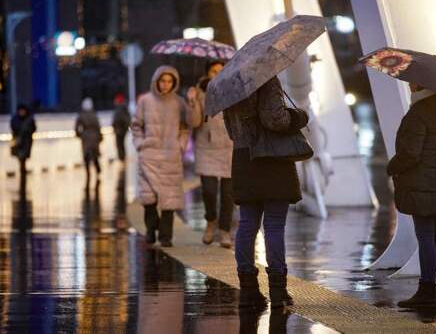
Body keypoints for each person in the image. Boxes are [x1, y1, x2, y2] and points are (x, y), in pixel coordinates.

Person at [223, 76, 309, 309]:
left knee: (247, 223)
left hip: (243, 158)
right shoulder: (266, 79)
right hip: (272, 159)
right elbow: (276, 120)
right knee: (273, 225)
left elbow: (231, 131)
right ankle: (278, 291)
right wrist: (299, 116)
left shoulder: (229, 86)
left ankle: (249, 289)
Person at [388, 83, 436, 310]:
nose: (410, 85)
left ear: (422, 86)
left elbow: (410, 153)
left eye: (413, 82)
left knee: (426, 236)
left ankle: (427, 290)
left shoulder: (418, 113)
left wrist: (392, 166)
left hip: (421, 182)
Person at [131, 65, 195, 247]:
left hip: (170, 156)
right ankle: (151, 230)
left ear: (173, 83)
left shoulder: (179, 102)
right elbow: (136, 125)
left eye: (169, 81)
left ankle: (166, 236)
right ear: (156, 81)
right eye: (162, 81)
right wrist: (140, 144)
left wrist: (181, 145)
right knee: (148, 199)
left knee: (170, 199)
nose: (165, 85)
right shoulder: (145, 101)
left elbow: (186, 126)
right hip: (149, 155)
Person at [186, 61, 235, 248]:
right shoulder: (198, 92)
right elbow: (194, 122)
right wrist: (192, 101)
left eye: (221, 70)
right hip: (206, 147)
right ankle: (210, 222)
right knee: (209, 190)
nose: (217, 73)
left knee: (228, 194)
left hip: (229, 146)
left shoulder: (232, 90)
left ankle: (224, 231)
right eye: (214, 71)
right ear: (207, 73)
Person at [75, 97, 102, 182]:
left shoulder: (81, 115)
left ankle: (88, 173)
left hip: (86, 137)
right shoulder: (94, 115)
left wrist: (80, 135)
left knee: (86, 156)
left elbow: (76, 127)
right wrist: (100, 137)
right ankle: (98, 170)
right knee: (95, 155)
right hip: (95, 137)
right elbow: (98, 127)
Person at [10, 104, 36, 185]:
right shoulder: (15, 119)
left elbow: (34, 129)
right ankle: (23, 172)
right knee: (21, 157)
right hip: (18, 141)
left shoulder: (29, 119)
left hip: (26, 142)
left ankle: (23, 173)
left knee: (23, 158)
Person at [111, 93, 131, 162]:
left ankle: (122, 158)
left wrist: (117, 127)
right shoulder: (123, 108)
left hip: (120, 129)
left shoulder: (120, 109)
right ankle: (122, 158)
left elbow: (119, 119)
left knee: (119, 144)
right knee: (121, 144)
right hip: (122, 129)